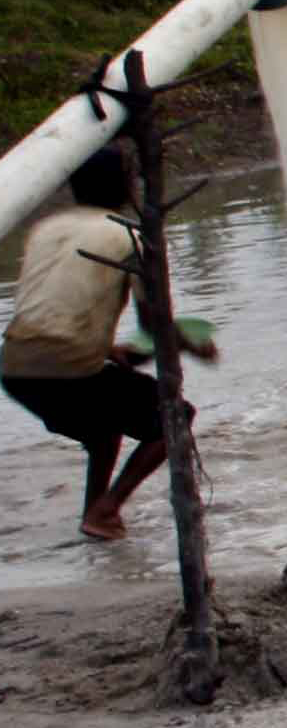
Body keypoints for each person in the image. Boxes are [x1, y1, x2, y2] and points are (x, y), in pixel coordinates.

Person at [3, 145, 215, 543]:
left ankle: (94, 515)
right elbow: (153, 326)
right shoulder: (131, 236)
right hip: (65, 366)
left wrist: (107, 352)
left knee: (104, 431)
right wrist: (193, 343)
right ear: (126, 185)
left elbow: (52, 308)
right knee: (176, 417)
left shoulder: (45, 229)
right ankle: (107, 509)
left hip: (15, 366)